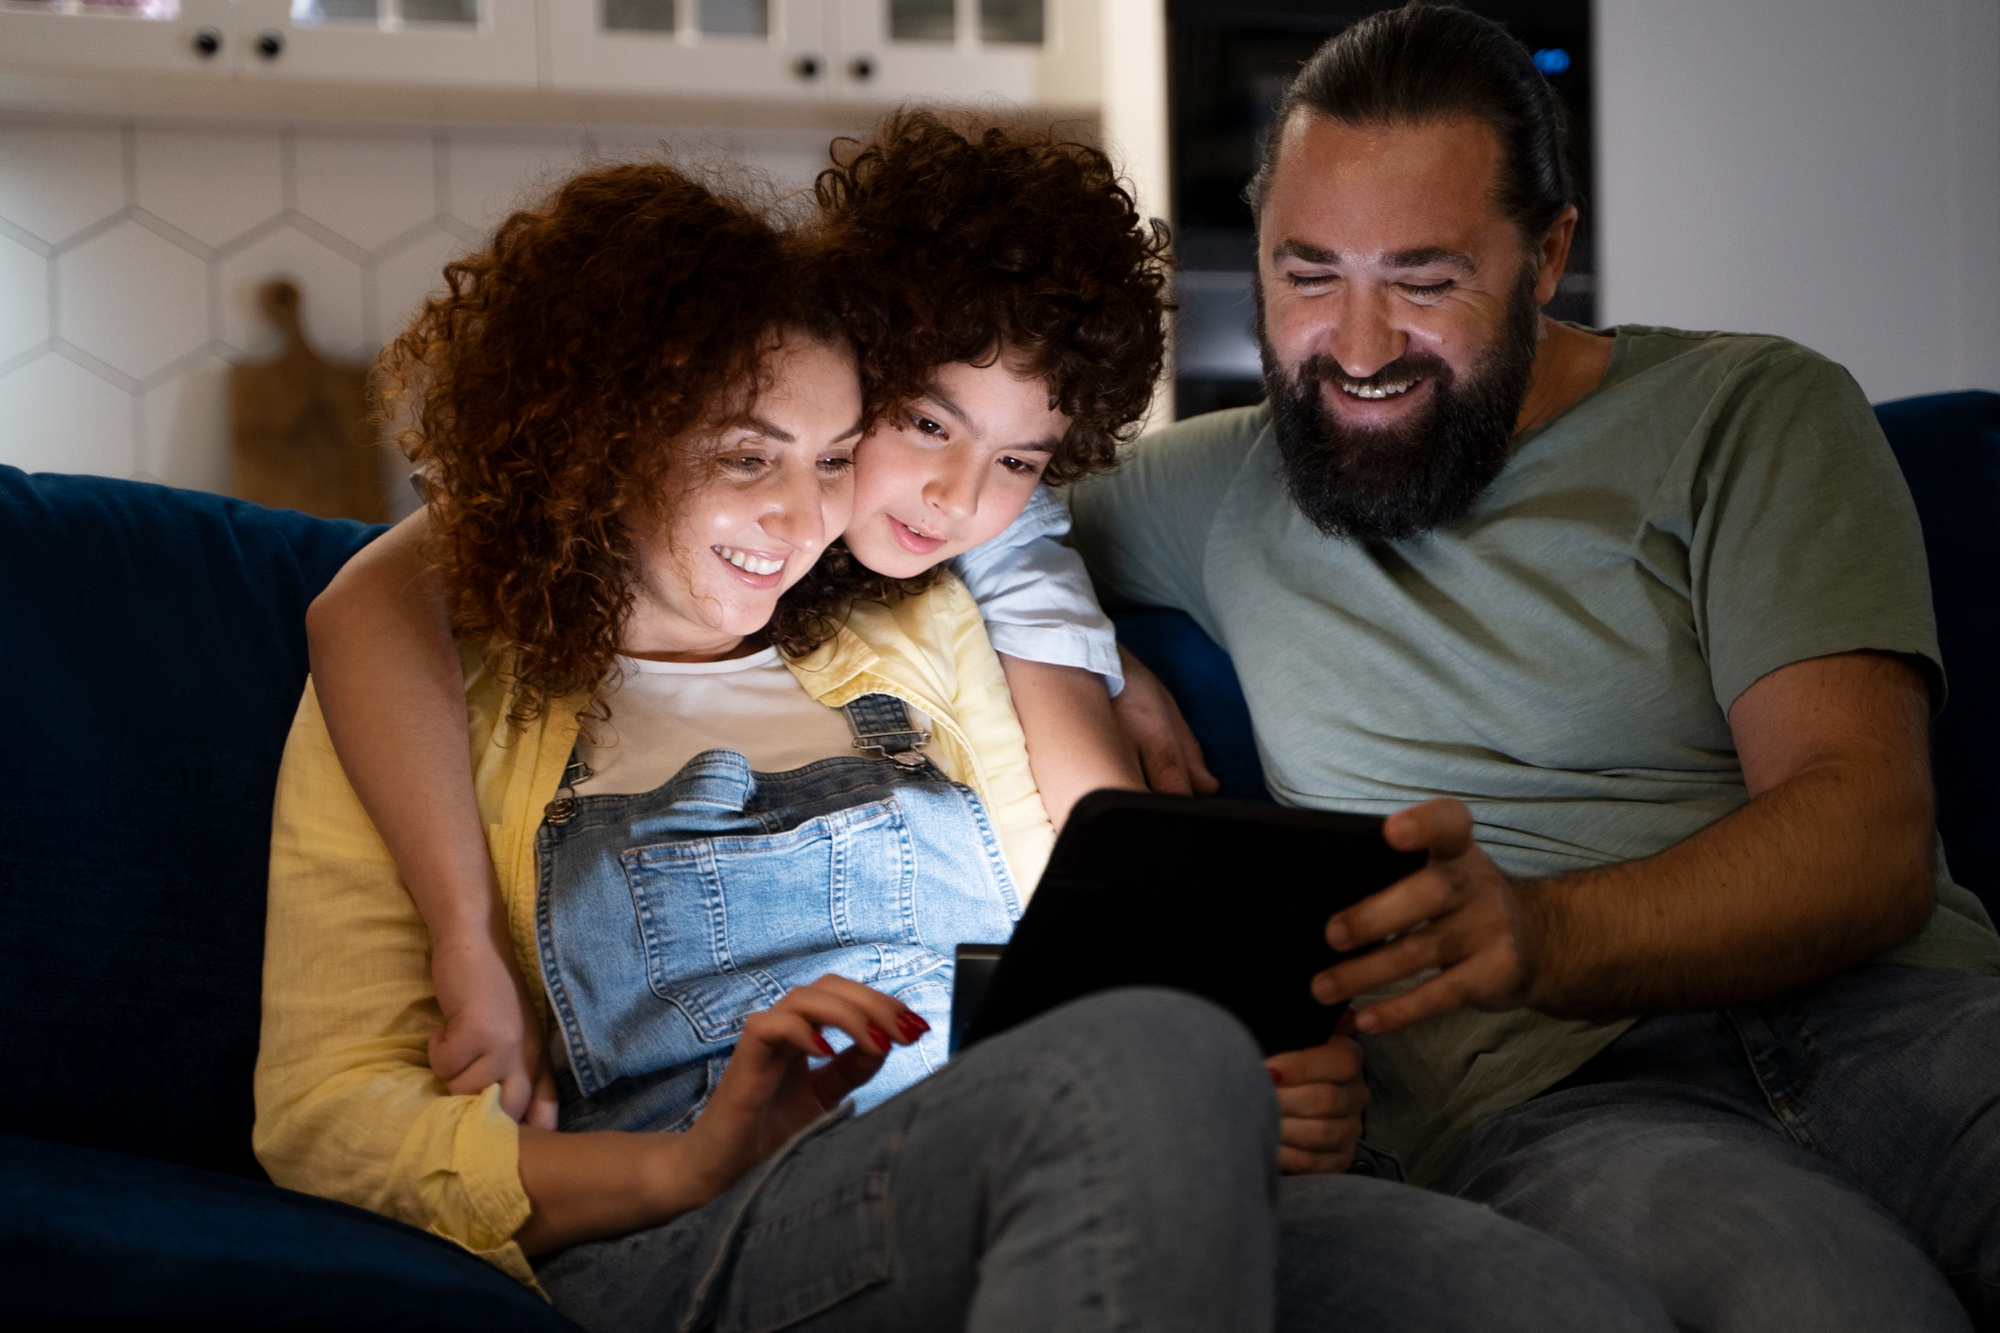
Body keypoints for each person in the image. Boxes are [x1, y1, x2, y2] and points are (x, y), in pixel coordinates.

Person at [269, 127, 1674, 1332]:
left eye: (827, 457)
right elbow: (329, 1118)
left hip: (1045, 1143)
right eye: (747, 454)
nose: (799, 510)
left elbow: (1108, 930)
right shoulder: (438, 696)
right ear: (606, 438)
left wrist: (1264, 1079)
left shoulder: (940, 616)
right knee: (1140, 1064)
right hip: (688, 1228)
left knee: (1556, 1300)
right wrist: (677, 1169)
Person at [1072, 5, 2000, 1330]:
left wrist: (1543, 927)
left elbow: (1865, 833)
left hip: (1889, 1017)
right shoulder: (1222, 485)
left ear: (1547, 254)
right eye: (1307, 270)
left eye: (1427, 276)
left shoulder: (1747, 411)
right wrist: (1083, 642)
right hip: (1558, 1104)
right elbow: (947, 510)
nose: (1360, 343)